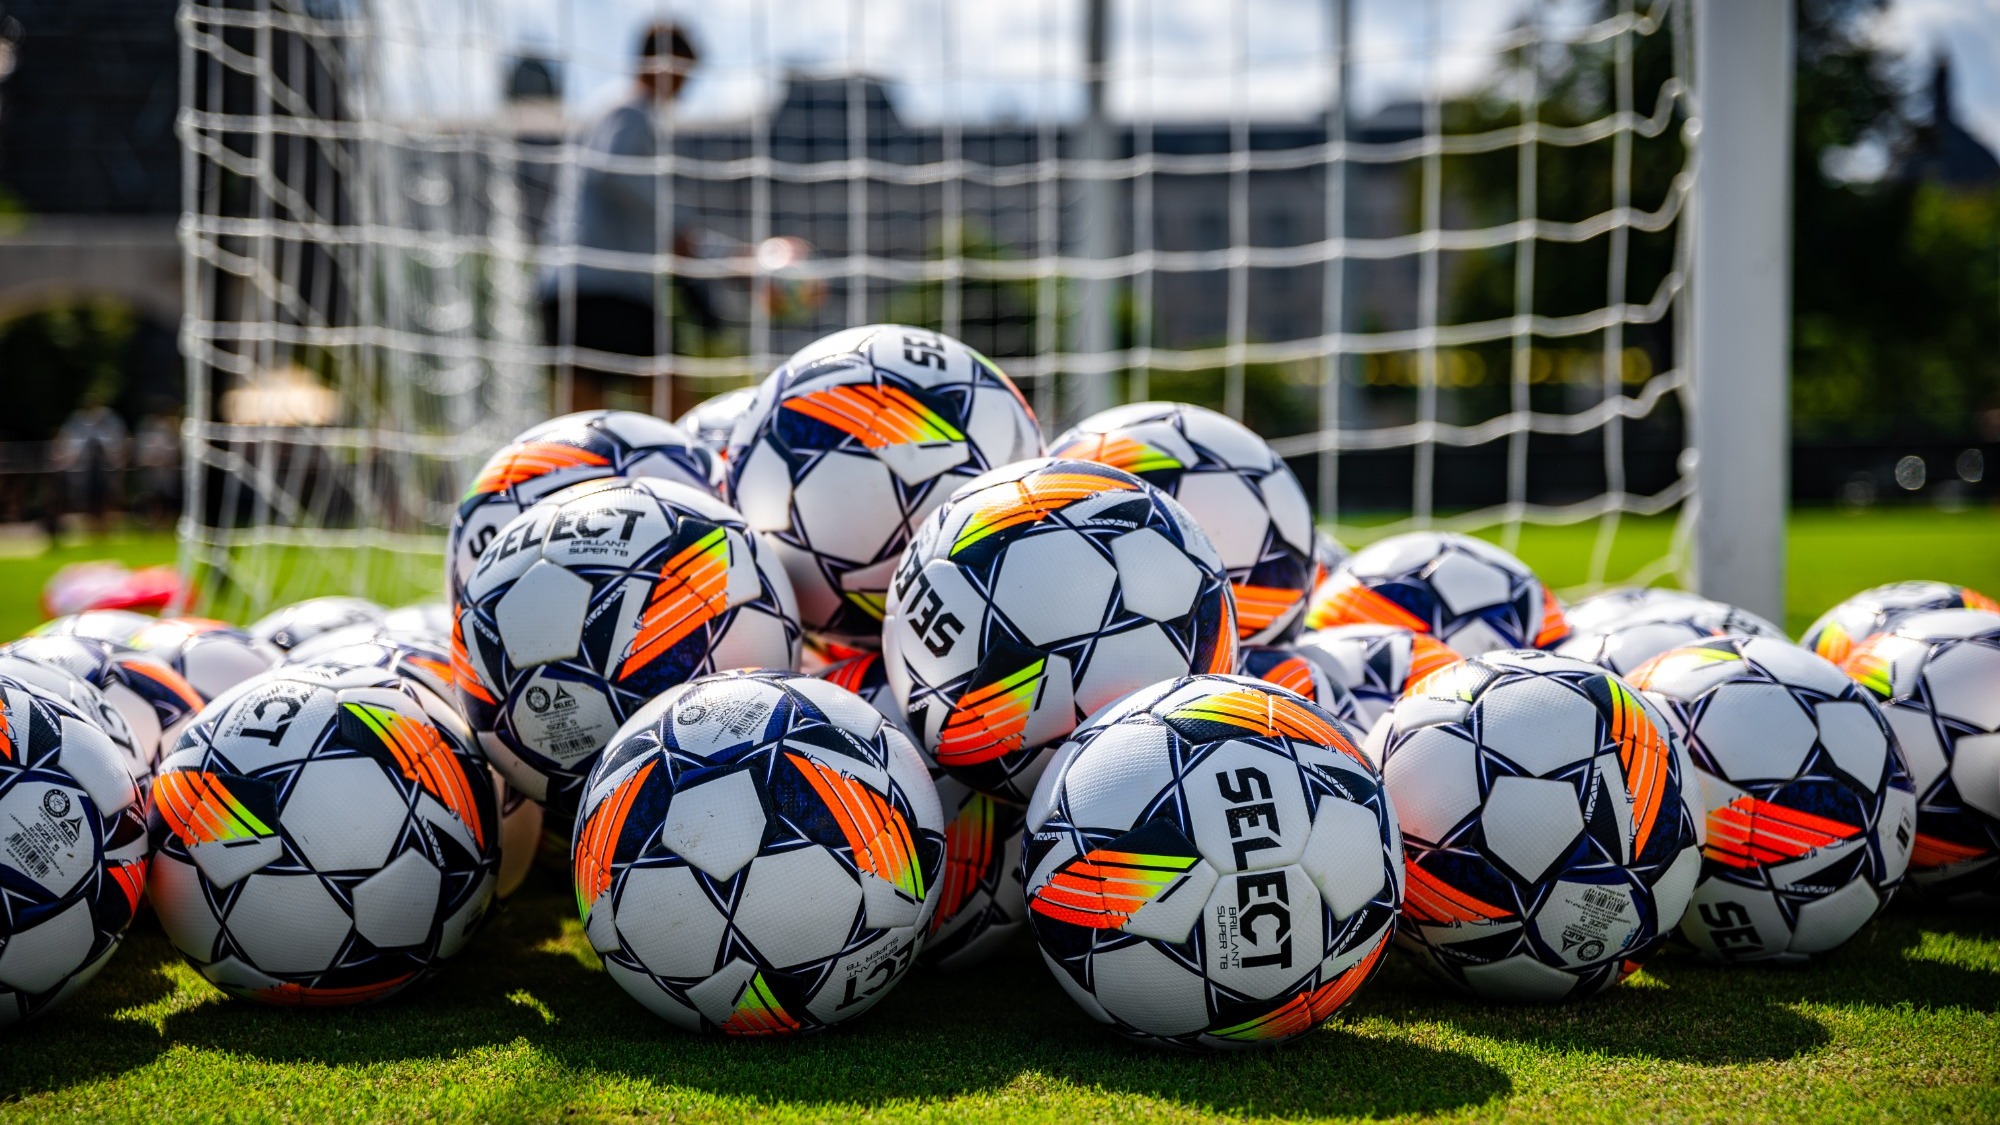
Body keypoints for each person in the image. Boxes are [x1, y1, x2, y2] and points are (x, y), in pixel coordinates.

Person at [539, 22, 713, 417]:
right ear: (662, 63)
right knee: (670, 400)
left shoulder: (613, 109)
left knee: (580, 417)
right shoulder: (629, 111)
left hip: (577, 282)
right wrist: (674, 225)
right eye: (683, 71)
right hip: (604, 287)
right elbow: (612, 170)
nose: (684, 86)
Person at [51, 391, 129, 537]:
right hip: (85, 470)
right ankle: (91, 529)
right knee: (86, 501)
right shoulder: (76, 420)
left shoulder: (110, 419)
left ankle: (105, 528)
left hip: (106, 469)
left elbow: (118, 441)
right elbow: (69, 443)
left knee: (107, 498)